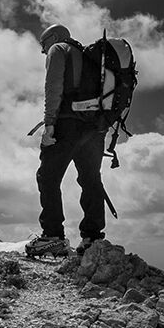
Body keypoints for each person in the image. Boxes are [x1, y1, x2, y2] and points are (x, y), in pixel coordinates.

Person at [25, 24, 107, 258]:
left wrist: (49, 123)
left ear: (54, 37)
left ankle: (53, 236)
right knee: (91, 179)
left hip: (67, 123)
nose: (43, 50)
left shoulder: (58, 49)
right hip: (95, 128)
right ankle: (92, 237)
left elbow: (53, 87)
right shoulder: (89, 58)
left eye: (43, 44)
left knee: (47, 177)